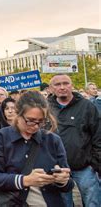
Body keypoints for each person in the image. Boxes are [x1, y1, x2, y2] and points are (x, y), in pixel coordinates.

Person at [0, 91, 74, 206]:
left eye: (41, 121)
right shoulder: (0, 138)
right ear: (18, 113)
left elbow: (69, 184)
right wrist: (24, 180)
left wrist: (62, 180)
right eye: (30, 120)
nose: (36, 126)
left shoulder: (52, 140)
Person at [47, 74, 100, 207]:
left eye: (66, 83)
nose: (62, 87)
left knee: (93, 202)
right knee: (63, 203)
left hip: (85, 167)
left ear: (72, 86)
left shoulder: (87, 106)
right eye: (57, 84)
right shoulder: (46, 108)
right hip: (57, 169)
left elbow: (98, 136)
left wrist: (96, 163)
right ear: (51, 88)